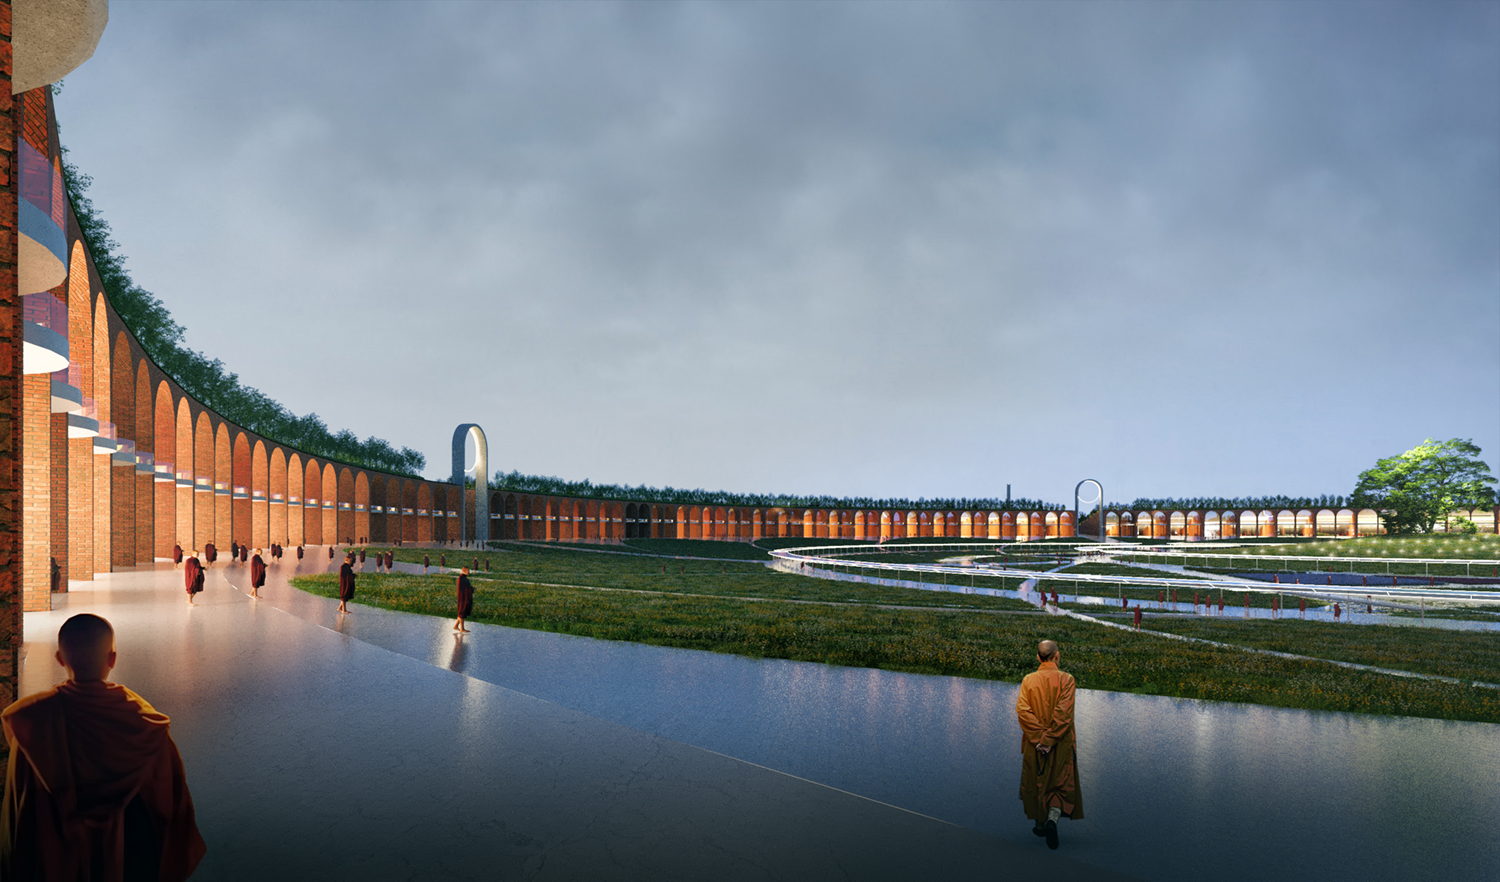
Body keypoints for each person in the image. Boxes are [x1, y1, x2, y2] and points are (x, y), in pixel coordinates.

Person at [0, 614, 207, 881]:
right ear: (112, 659)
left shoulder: (33, 722)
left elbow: (20, 809)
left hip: (57, 861)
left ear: (60, 658)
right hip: (129, 859)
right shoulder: (143, 724)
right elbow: (170, 806)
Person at [1015, 639, 1083, 850]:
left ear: (1038, 657)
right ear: (1057, 656)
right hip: (1060, 742)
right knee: (1060, 782)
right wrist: (1050, 739)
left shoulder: (1028, 680)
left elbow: (1023, 711)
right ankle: (1053, 820)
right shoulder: (1067, 680)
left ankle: (1040, 823)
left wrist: (1039, 738)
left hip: (1034, 744)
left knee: (1037, 780)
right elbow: (1063, 715)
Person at [454, 566, 474, 633]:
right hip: (462, 597)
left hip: (464, 597)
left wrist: (471, 588)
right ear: (464, 571)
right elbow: (461, 589)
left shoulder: (464, 578)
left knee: (462, 612)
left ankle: (456, 626)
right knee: (461, 612)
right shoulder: (461, 578)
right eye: (468, 571)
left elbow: (466, 587)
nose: (469, 572)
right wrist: (470, 589)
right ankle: (462, 628)